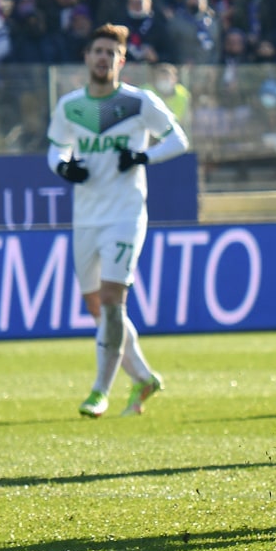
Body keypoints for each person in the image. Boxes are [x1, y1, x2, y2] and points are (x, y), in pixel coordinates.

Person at [46, 24, 189, 418]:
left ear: (122, 61)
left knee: (112, 303)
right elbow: (56, 150)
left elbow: (178, 139)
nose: (103, 58)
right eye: (98, 51)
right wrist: (64, 168)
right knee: (99, 309)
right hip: (85, 219)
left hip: (125, 216)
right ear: (87, 57)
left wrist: (144, 157)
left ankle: (99, 391)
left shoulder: (138, 102)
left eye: (112, 52)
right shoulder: (71, 106)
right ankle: (143, 378)